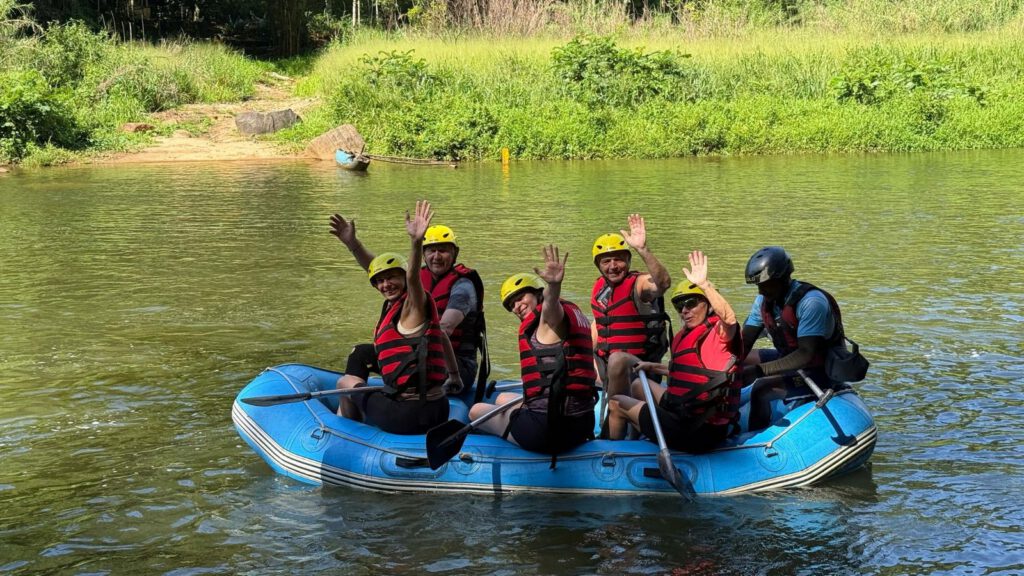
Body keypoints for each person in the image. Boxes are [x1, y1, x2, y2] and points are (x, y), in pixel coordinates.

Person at [333, 201, 463, 435]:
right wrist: (353, 245)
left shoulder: (414, 304)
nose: (386, 284)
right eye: (380, 282)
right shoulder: (398, 303)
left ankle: (349, 433)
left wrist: (416, 242)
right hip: (437, 408)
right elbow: (376, 268)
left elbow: (413, 278)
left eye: (393, 278)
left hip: (408, 414)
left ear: (405, 279)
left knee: (345, 383)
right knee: (361, 352)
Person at [329, 215, 487, 399]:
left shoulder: (463, 286)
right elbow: (382, 271)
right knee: (361, 353)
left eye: (443, 251)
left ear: (455, 253)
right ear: (424, 254)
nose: (436, 256)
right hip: (417, 354)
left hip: (455, 364)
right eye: (431, 251)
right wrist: (353, 244)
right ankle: (350, 407)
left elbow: (445, 328)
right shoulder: (416, 278)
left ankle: (381, 402)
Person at [468, 245, 598, 463]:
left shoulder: (549, 321)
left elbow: (551, 308)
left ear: (538, 293)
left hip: (548, 430)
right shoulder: (573, 313)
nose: (517, 306)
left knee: (476, 411)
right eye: (512, 305)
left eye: (521, 298)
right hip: (583, 421)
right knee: (503, 398)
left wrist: (554, 285)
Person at [607, 251, 742, 453]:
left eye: (691, 303)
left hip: (697, 428)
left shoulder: (720, 334)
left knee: (616, 403)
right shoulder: (685, 335)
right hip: (686, 412)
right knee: (638, 386)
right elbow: (692, 374)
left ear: (709, 305)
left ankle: (612, 456)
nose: (684, 310)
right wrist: (654, 367)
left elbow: (730, 319)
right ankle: (636, 441)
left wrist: (704, 285)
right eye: (679, 306)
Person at [740, 246, 851, 430]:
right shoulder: (763, 301)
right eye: (758, 286)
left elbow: (805, 354)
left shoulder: (811, 302)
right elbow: (744, 342)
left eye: (766, 285)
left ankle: (753, 437)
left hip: (820, 370)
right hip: (788, 357)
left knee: (761, 390)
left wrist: (760, 371)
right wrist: (728, 367)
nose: (760, 291)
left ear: (783, 278)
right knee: (741, 360)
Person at [590, 214, 671, 434]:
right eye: (606, 261)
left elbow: (663, 283)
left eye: (619, 259)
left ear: (628, 260)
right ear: (598, 265)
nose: (613, 266)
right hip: (607, 371)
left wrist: (643, 249)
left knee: (617, 359)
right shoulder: (600, 290)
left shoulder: (639, 284)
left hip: (640, 369)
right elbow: (598, 329)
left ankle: (612, 432)